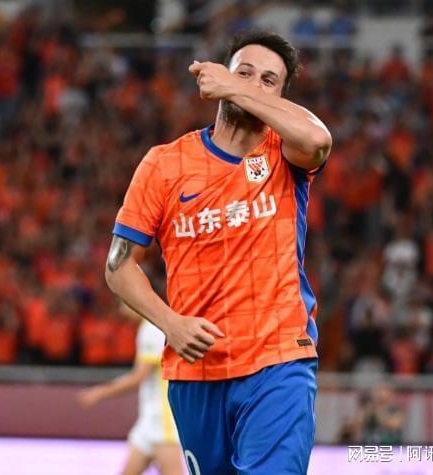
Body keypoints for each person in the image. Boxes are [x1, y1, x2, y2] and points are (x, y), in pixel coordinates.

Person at [105, 28, 332, 474]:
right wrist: (171, 323)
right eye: (243, 72)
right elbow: (118, 266)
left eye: (268, 80)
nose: (253, 83)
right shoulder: (164, 163)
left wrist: (235, 87)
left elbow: (318, 141)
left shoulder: (285, 152)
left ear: (280, 96)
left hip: (278, 360)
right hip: (197, 370)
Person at [77, 306, 183, 475]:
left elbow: (138, 377)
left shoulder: (152, 329)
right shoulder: (146, 327)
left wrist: (99, 392)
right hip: (148, 420)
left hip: (162, 421)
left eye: (123, 303)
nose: (121, 310)